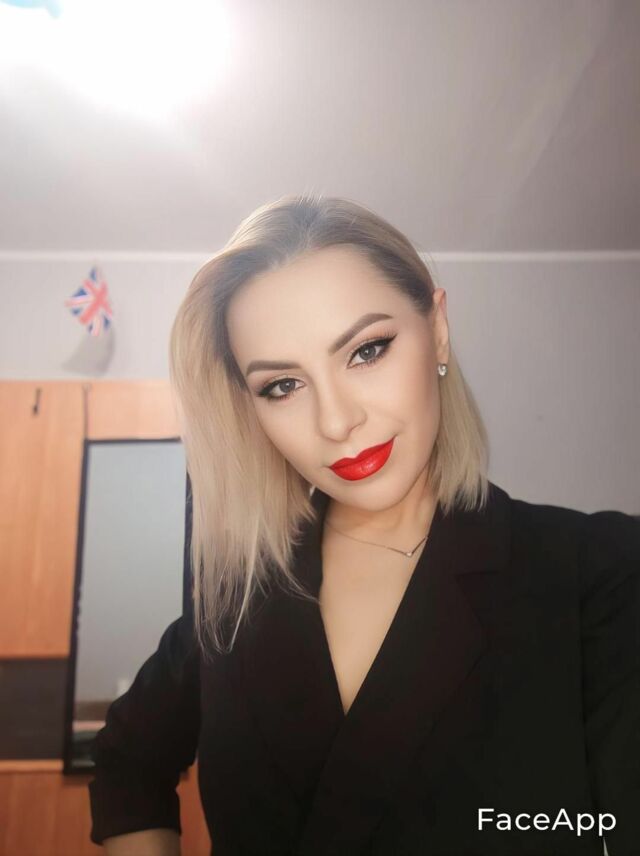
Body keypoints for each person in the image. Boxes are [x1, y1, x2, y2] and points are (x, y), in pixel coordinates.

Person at [88, 194, 640, 855]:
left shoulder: (600, 570)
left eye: (367, 350)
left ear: (437, 328)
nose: (336, 421)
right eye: (282, 386)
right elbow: (126, 762)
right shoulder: (238, 597)